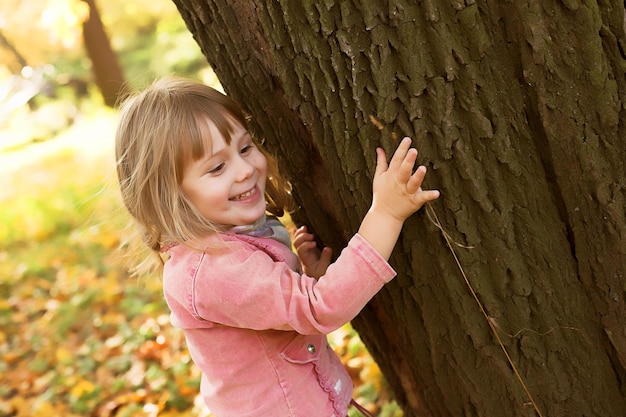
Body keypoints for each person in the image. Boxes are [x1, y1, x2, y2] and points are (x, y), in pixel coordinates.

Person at [115, 77, 440, 417]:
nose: (244, 170)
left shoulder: (226, 239)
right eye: (217, 167)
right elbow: (322, 307)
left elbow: (278, 308)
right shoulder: (211, 270)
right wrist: (386, 214)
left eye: (244, 148)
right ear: (171, 197)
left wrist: (302, 279)